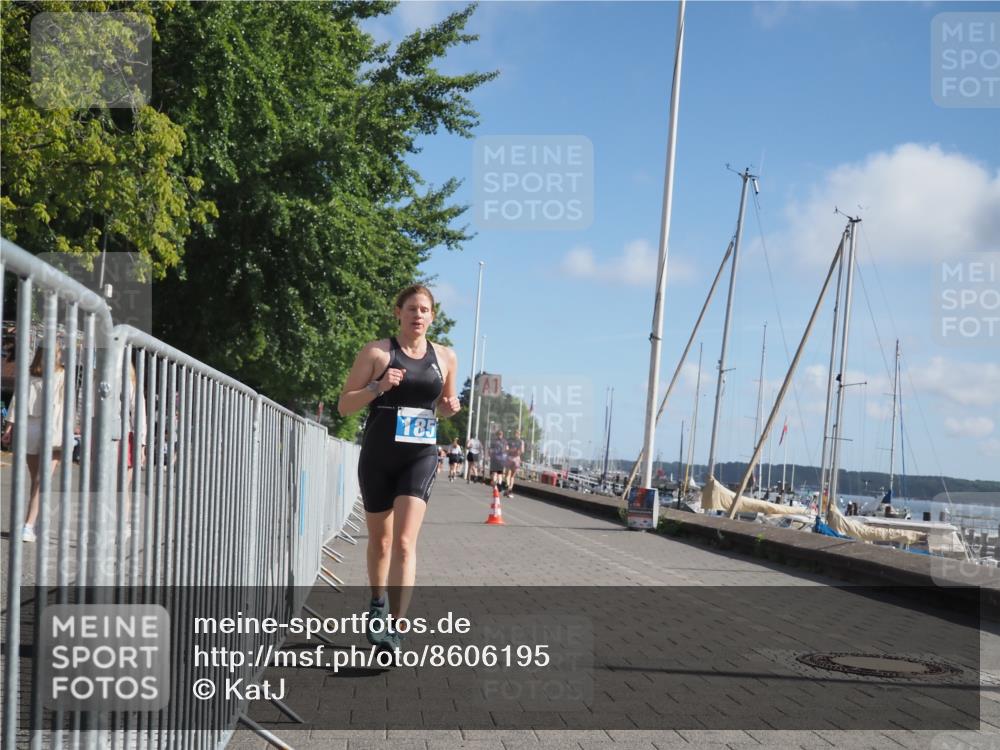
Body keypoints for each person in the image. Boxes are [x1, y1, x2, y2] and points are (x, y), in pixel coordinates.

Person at [337, 285, 460, 654]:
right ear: (398, 312)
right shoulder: (377, 352)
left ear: (432, 316)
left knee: (405, 543)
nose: (417, 315)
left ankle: (396, 626)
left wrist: (449, 408)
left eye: (424, 310)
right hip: (379, 456)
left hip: (419, 456)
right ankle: (377, 603)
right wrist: (378, 386)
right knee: (381, 542)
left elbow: (444, 405)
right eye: (411, 309)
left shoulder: (446, 357)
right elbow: (344, 405)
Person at [1, 344, 66, 543]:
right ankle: (31, 524)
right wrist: (9, 428)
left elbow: (16, 402)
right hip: (44, 429)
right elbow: (17, 401)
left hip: (40, 429)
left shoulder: (38, 374)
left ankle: (30, 523)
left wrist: (9, 428)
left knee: (39, 480)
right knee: (39, 480)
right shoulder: (54, 374)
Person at [503, 429, 525, 498]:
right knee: (512, 476)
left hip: (509, 458)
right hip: (516, 459)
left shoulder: (509, 440)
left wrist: (510, 450)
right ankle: (509, 490)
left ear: (514, 434)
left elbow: (506, 449)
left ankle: (507, 487)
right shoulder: (521, 441)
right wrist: (517, 452)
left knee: (507, 475)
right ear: (519, 434)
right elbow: (522, 451)